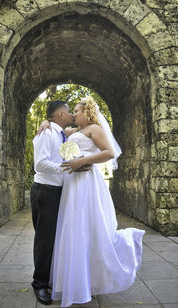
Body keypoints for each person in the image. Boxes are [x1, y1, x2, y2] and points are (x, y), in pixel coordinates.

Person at [40, 96, 145, 307]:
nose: (73, 115)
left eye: (76, 111)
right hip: (72, 183)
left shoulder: (94, 129)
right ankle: (80, 279)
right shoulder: (74, 132)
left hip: (87, 181)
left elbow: (109, 152)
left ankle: (124, 248)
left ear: (86, 113)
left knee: (87, 226)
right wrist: (44, 122)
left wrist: (82, 160)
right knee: (73, 228)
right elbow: (56, 130)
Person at [30, 100, 74, 305]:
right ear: (61, 115)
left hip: (58, 192)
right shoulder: (46, 133)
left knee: (54, 238)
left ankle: (48, 278)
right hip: (45, 191)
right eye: (69, 111)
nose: (72, 114)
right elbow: (40, 164)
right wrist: (67, 167)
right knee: (44, 240)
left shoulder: (61, 134)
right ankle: (39, 284)